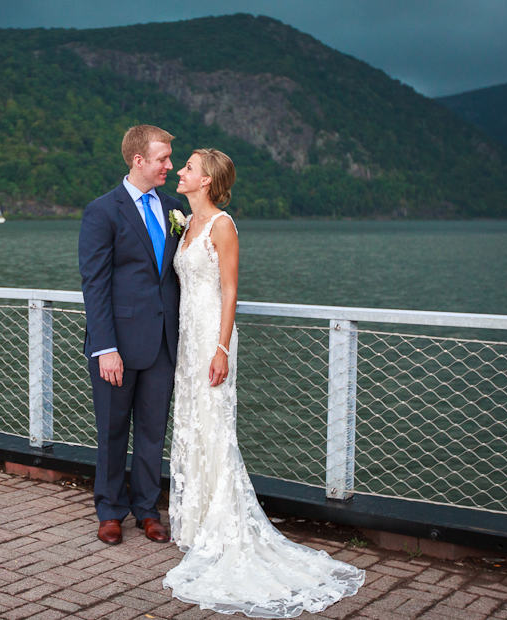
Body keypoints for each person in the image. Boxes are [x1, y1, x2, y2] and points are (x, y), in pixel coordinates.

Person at [163, 148, 365, 616]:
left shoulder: (222, 225)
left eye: (189, 167)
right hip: (188, 338)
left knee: (215, 428)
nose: (181, 172)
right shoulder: (187, 224)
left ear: (207, 180)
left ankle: (224, 527)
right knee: (193, 423)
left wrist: (221, 348)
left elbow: (230, 289)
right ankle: (195, 525)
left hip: (212, 336)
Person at [78, 125, 183, 545]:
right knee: (112, 428)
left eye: (170, 158)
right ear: (138, 160)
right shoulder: (102, 211)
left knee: (153, 430)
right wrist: (106, 348)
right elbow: (95, 284)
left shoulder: (174, 207)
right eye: (163, 158)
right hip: (116, 344)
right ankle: (109, 509)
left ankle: (146, 509)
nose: (169, 166)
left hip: (163, 342)